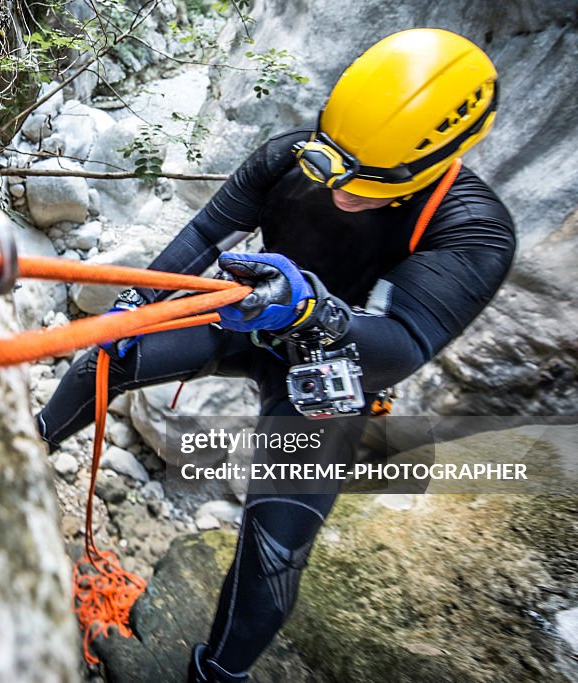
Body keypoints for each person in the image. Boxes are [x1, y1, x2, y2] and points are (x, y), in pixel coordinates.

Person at [36, 28, 516, 682]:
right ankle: (28, 443)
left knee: (272, 549)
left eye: (364, 180)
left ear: (428, 166)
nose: (339, 187)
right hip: (249, 313)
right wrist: (135, 304)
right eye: (333, 162)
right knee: (109, 357)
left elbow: (404, 343)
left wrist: (315, 309)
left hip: (331, 375)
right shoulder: (292, 155)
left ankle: (217, 675)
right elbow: (208, 231)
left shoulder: (471, 227)